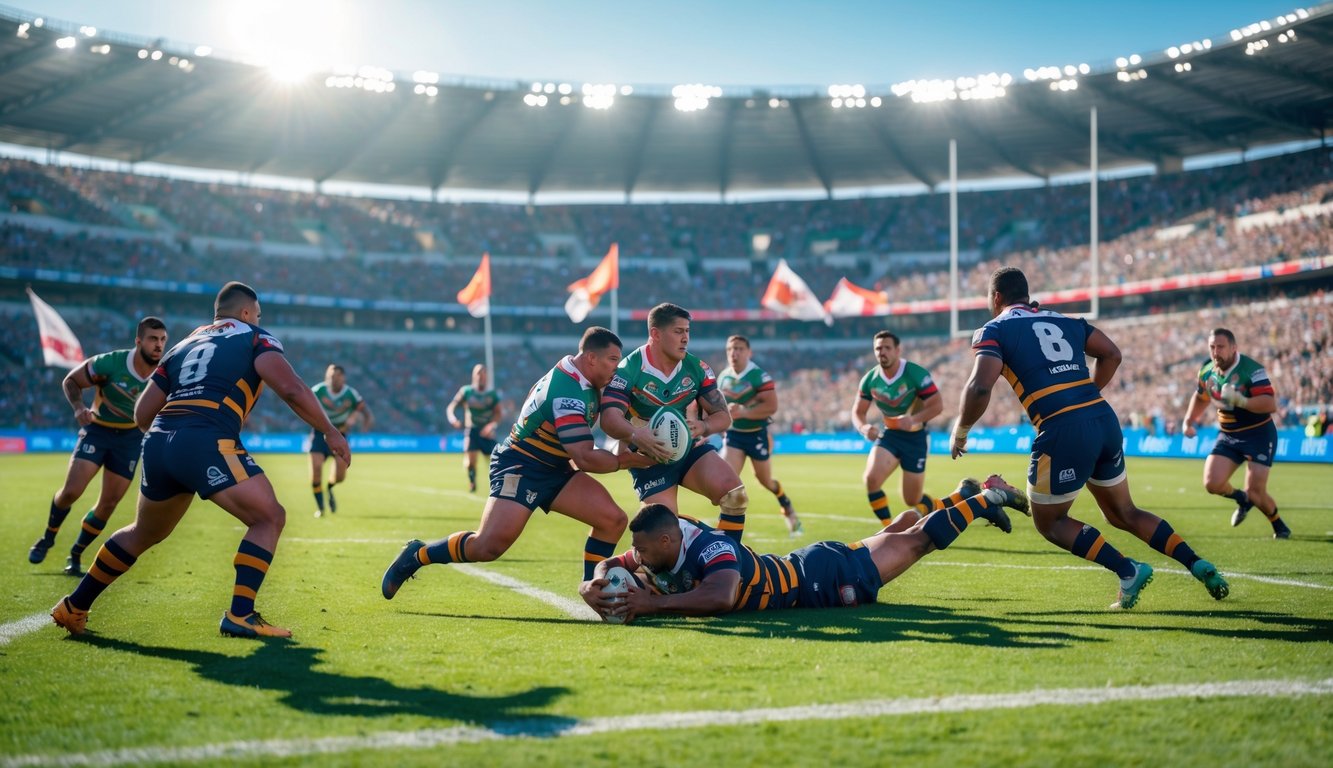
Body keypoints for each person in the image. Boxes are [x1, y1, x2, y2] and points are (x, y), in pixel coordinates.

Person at [51, 282, 351, 639]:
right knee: (269, 517)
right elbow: (290, 388)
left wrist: (172, 440)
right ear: (245, 313)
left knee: (143, 532)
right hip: (207, 436)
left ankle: (74, 606)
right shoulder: (255, 337)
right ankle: (241, 614)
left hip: (160, 440)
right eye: (257, 314)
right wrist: (330, 430)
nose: (258, 319)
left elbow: (142, 412)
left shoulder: (180, 346)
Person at [950, 266, 1228, 610]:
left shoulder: (994, 329)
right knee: (1124, 512)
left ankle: (1128, 570)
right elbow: (1112, 353)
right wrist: (1088, 392)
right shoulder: (1067, 321)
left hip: (1062, 428)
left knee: (1050, 523)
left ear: (996, 298)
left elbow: (980, 386)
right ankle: (1196, 563)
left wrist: (961, 430)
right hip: (1102, 419)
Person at [381, 327, 658, 600]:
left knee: (612, 520)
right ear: (591, 358)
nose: (616, 368)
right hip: (521, 465)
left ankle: (592, 590)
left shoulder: (579, 374)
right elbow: (584, 457)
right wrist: (625, 460)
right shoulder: (567, 393)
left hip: (556, 467)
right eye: (612, 360)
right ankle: (417, 555)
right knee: (487, 547)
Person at [578, 477, 1028, 621]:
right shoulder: (659, 542)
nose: (634, 556)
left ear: (667, 540)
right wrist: (591, 584)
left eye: (641, 548)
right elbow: (612, 563)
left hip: (823, 581)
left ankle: (987, 498)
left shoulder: (712, 548)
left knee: (919, 540)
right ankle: (964, 493)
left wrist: (653, 605)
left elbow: (722, 597)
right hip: (810, 563)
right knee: (903, 528)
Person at [28, 317, 168, 576]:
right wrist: (79, 407)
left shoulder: (165, 374)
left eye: (162, 340)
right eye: (152, 339)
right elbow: (71, 381)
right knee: (71, 491)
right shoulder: (110, 363)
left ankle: (76, 554)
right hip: (98, 432)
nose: (158, 345)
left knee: (108, 503)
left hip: (129, 440)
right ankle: (48, 537)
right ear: (138, 341)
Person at [599, 303, 749, 544]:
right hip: (648, 459)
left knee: (735, 495)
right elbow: (608, 419)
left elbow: (723, 416)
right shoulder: (629, 369)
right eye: (678, 332)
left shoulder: (697, 368)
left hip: (687, 449)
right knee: (663, 535)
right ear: (656, 335)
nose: (685, 338)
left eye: (687, 331)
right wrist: (638, 437)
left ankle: (728, 560)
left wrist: (704, 427)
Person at [1180, 328, 1291, 539]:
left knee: (1257, 491)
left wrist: (1242, 401)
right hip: (1229, 435)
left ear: (1233, 348)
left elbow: (1271, 404)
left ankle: (1279, 525)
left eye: (1220, 347)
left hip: (1258, 434)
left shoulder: (1252, 370)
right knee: (1212, 484)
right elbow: (1201, 396)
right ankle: (1243, 499)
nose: (1215, 352)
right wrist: (1188, 420)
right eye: (1212, 347)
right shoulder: (1207, 370)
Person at [850, 331, 944, 528]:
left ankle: (947, 506)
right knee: (871, 479)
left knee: (911, 499)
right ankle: (888, 528)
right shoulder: (870, 379)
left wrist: (913, 419)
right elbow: (857, 412)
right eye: (878, 348)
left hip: (915, 438)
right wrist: (864, 427)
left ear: (897, 350)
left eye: (887, 348)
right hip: (890, 435)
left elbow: (937, 405)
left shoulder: (915, 373)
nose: (882, 352)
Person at [716, 335, 801, 536]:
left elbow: (771, 406)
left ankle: (786, 505)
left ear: (748, 352)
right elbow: (718, 407)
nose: (734, 353)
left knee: (765, 481)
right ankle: (726, 533)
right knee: (725, 484)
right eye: (730, 349)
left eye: (739, 349)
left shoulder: (759, 376)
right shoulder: (723, 377)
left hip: (756, 435)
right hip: (734, 436)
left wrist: (743, 412)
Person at [310, 363, 373, 518]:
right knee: (316, 470)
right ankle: (321, 509)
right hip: (320, 433)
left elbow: (365, 411)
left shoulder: (351, 394)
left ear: (343, 378)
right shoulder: (318, 390)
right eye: (330, 376)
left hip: (340, 434)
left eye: (336, 376)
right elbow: (304, 404)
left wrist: (361, 422)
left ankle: (330, 488)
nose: (333, 379)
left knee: (340, 476)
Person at [447, 364, 502, 493]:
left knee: (496, 460)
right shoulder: (466, 391)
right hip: (471, 430)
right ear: (474, 376)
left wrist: (491, 426)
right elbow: (451, 407)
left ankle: (498, 485)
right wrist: (453, 419)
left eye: (483, 374)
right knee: (471, 463)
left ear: (486, 377)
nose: (481, 377)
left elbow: (498, 413)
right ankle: (472, 482)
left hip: (486, 432)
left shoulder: (492, 394)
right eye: (478, 374)